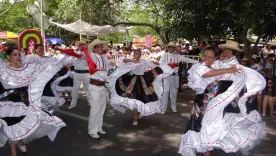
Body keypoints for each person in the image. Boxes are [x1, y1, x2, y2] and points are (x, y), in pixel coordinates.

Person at [179, 47, 266, 156]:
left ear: (215, 58)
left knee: (210, 128)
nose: (206, 58)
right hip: (203, 103)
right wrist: (228, 70)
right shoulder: (199, 67)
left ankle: (209, 149)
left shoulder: (216, 67)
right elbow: (206, 74)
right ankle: (207, 152)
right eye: (205, 55)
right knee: (201, 127)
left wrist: (238, 73)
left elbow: (226, 73)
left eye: (210, 57)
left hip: (215, 104)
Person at [0, 48, 66, 156]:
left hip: (26, 99)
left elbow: (43, 71)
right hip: (10, 101)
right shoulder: (4, 70)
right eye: (14, 55)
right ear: (8, 57)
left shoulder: (28, 68)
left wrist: (60, 59)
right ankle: (13, 152)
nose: (18, 57)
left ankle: (20, 140)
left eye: (19, 54)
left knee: (25, 122)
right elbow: (7, 84)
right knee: (12, 124)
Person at [108, 50, 172, 125]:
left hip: (142, 81)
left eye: (139, 54)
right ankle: (135, 116)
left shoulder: (144, 61)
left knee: (142, 98)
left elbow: (155, 64)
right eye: (136, 54)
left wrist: (156, 63)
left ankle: (138, 112)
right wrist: (133, 61)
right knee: (134, 98)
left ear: (141, 55)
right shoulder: (131, 61)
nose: (137, 56)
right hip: (132, 81)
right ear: (134, 55)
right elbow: (124, 60)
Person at [82, 39, 115, 139]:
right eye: (99, 46)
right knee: (95, 109)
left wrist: (113, 63)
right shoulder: (92, 56)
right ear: (95, 48)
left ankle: (99, 128)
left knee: (101, 109)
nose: (102, 48)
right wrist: (108, 80)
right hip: (94, 86)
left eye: (102, 46)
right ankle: (92, 130)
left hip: (102, 86)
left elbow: (108, 66)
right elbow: (94, 70)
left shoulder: (103, 57)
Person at [159, 42, 198, 114]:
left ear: (174, 49)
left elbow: (187, 59)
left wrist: (198, 62)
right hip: (167, 76)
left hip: (175, 76)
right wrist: (169, 66)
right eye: (170, 47)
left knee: (174, 92)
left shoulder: (178, 56)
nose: (171, 48)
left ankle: (173, 107)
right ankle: (163, 109)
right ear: (168, 48)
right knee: (166, 92)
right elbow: (160, 63)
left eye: (173, 47)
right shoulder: (164, 55)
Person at [68, 41, 92, 109]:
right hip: (77, 73)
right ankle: (73, 104)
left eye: (83, 45)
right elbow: (70, 62)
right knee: (75, 90)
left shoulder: (89, 54)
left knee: (87, 89)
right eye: (80, 45)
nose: (82, 47)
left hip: (86, 73)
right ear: (79, 46)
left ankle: (90, 103)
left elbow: (87, 59)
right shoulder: (75, 54)